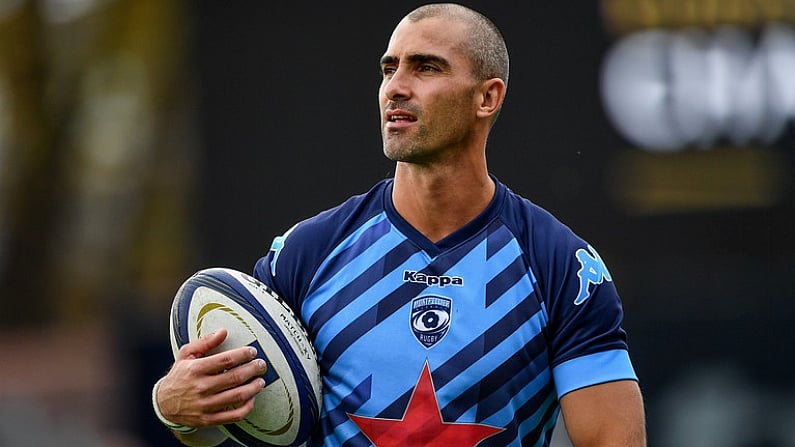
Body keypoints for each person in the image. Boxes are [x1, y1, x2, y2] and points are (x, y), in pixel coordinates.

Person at [152, 3, 647, 446]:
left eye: (426, 67)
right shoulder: (309, 252)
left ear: (487, 98)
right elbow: (222, 419)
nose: (397, 87)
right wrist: (177, 409)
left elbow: (614, 440)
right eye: (389, 69)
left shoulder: (560, 266)